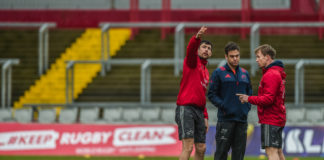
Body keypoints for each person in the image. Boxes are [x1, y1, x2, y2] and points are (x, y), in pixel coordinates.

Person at [237, 44, 286, 160]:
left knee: (271, 151)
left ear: (267, 57)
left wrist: (248, 98)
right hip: (277, 116)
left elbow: (268, 99)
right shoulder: (276, 72)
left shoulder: (271, 74)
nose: (256, 60)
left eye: (259, 57)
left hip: (271, 118)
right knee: (278, 151)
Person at [208, 42, 252, 160]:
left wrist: (246, 108)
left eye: (237, 56)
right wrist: (224, 106)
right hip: (225, 120)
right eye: (232, 56)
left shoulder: (245, 73)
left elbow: (250, 93)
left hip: (242, 121)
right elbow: (211, 94)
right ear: (226, 57)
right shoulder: (218, 73)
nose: (235, 59)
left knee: (239, 156)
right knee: (221, 154)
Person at [175, 26, 212, 160]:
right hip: (186, 108)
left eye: (209, 48)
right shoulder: (191, 61)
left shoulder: (206, 72)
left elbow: (202, 96)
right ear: (197, 50)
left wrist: (206, 116)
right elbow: (190, 49)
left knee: (202, 148)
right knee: (188, 147)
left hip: (199, 112)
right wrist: (197, 37)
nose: (206, 50)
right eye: (204, 47)